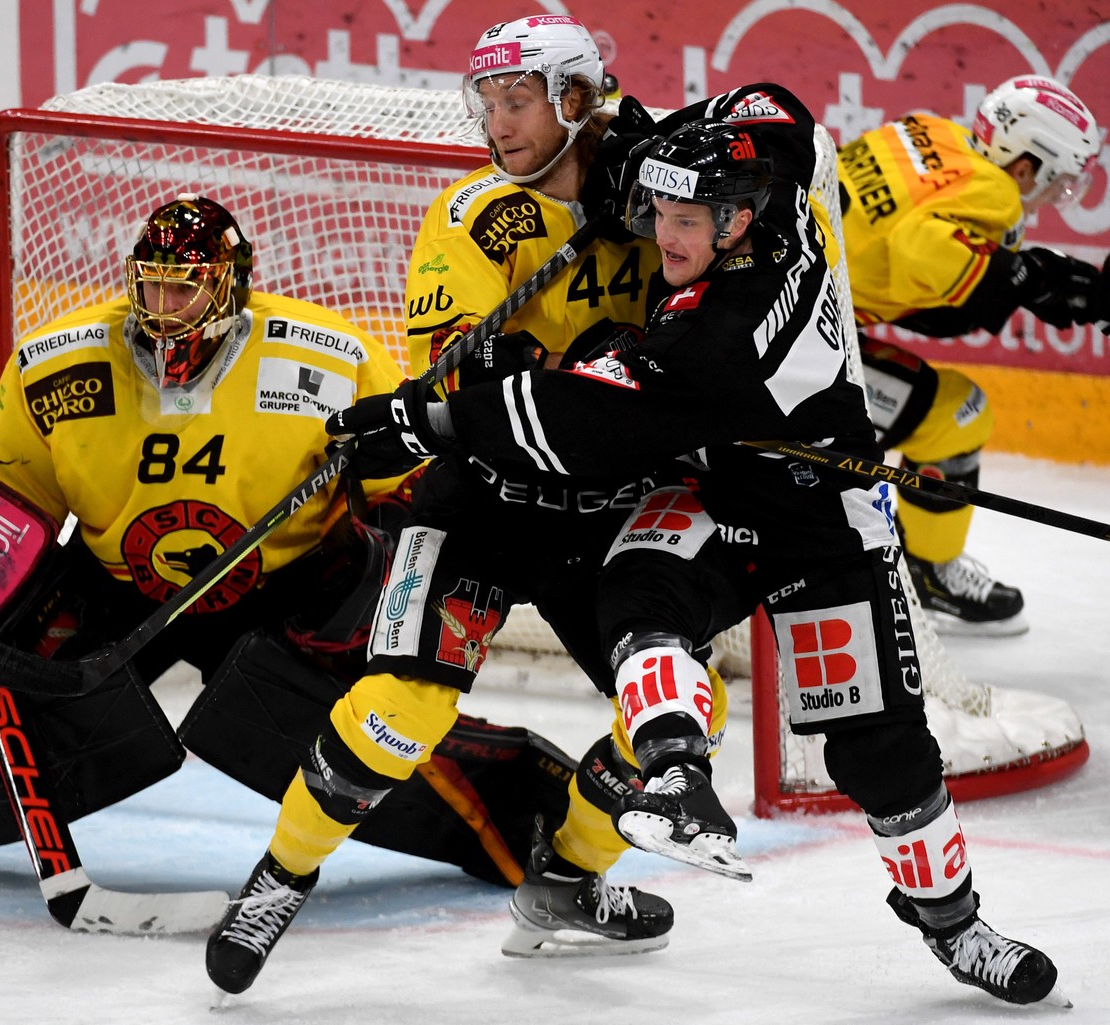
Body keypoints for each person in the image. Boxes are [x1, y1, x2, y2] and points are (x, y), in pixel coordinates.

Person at [323, 85, 1063, 1006]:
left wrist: (422, 417)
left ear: (737, 222)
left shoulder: (721, 334)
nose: (660, 238)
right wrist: (651, 132)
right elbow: (775, 108)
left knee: (881, 752)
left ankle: (957, 926)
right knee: (636, 593)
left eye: (683, 221)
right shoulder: (778, 181)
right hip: (711, 487)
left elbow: (577, 414)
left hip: (820, 520)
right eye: (659, 212)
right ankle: (675, 774)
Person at [0, 194, 576, 892]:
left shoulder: (326, 359)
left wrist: (403, 612)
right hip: (118, 587)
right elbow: (7, 503)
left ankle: (521, 809)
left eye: (186, 286)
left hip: (295, 585)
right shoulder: (55, 365)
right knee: (45, 714)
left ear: (231, 287)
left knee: (335, 736)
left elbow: (404, 491)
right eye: (152, 284)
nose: (164, 306)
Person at [205, 15, 728, 996]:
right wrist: (589, 374)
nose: (496, 122)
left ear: (577, 98)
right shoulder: (475, 216)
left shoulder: (666, 206)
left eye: (517, 98)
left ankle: (568, 878)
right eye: (485, 102)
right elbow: (469, 378)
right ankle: (283, 873)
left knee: (681, 707)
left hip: (606, 511)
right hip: (482, 493)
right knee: (398, 708)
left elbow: (717, 327)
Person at [839, 75, 1105, 636]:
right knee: (959, 414)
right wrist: (1019, 278)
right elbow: (924, 257)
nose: (1056, 192)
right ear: (1026, 165)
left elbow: (916, 290)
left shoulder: (928, 129)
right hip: (789, 347)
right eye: (1056, 177)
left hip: (776, 302)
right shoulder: (999, 193)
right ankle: (931, 572)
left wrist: (1024, 279)